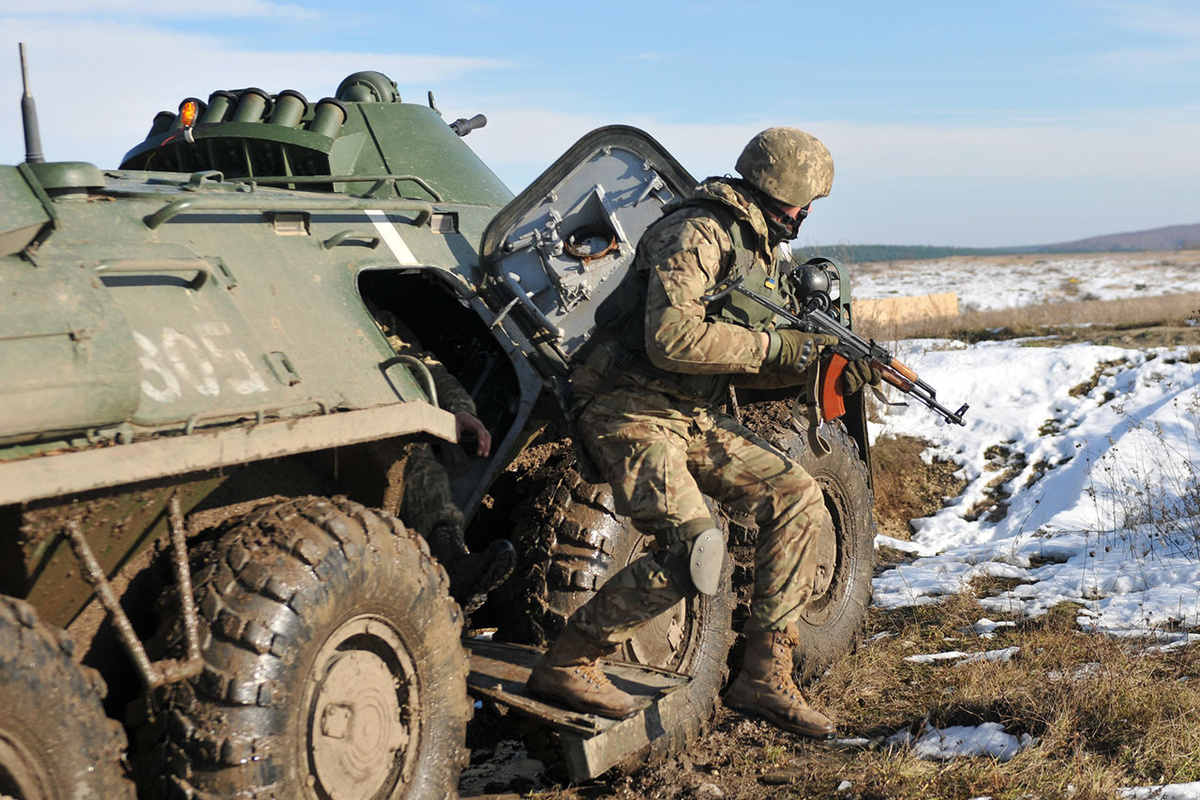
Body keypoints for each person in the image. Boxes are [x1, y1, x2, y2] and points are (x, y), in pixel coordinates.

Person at [526, 127, 879, 738]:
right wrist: (777, 348)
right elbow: (672, 339)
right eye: (804, 200)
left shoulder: (760, 249)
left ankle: (765, 676)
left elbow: (750, 354)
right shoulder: (697, 232)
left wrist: (820, 363)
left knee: (798, 497)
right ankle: (570, 660)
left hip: (691, 413)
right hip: (630, 409)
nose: (806, 213)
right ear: (778, 187)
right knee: (693, 551)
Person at [373, 307, 516, 613]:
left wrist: (461, 409)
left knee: (415, 455)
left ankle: (449, 560)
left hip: (371, 409)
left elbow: (421, 363)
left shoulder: (376, 315)